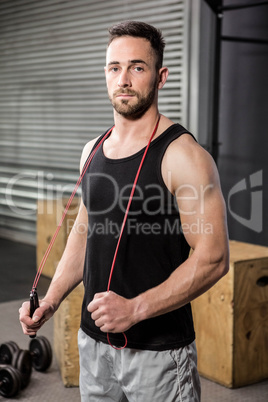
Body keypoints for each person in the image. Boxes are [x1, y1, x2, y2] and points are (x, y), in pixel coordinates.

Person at [19, 21, 229, 401]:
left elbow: (214, 259)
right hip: (94, 344)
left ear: (160, 76)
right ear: (105, 74)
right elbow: (84, 233)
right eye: (115, 67)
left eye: (137, 67)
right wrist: (51, 299)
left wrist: (135, 309)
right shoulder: (92, 150)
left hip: (158, 352)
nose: (124, 79)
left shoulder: (184, 157)